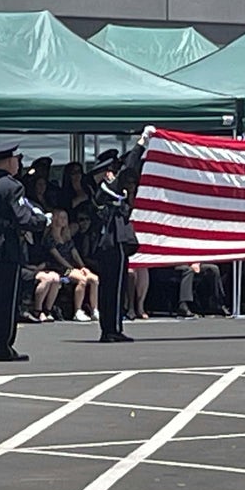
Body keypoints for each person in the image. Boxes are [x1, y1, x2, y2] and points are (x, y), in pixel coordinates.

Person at [0, 143, 49, 361]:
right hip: (8, 247)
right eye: (17, 159)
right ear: (8, 161)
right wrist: (42, 221)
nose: (19, 163)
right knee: (7, 300)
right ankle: (4, 347)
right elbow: (23, 217)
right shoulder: (12, 186)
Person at [90, 127, 156, 342]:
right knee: (114, 288)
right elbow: (130, 166)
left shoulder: (105, 189)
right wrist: (142, 142)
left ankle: (110, 328)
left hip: (109, 242)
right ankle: (112, 329)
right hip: (113, 241)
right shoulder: (107, 188)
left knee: (111, 288)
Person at [45, 208, 99, 322]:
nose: (64, 220)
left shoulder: (67, 237)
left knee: (94, 279)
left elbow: (75, 254)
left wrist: (83, 267)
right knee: (82, 280)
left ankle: (94, 309)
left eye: (65, 217)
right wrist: (72, 268)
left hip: (72, 268)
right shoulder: (49, 238)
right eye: (61, 217)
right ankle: (77, 310)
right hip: (59, 268)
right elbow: (58, 257)